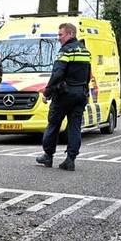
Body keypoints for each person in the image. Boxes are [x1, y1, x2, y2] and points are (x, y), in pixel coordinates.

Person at [34, 23, 92, 171]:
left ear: (70, 34)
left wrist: (47, 92)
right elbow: (88, 75)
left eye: (61, 34)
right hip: (80, 94)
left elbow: (57, 74)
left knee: (53, 124)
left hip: (64, 95)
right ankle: (70, 159)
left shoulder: (65, 51)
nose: (58, 38)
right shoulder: (85, 51)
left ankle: (48, 156)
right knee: (74, 126)